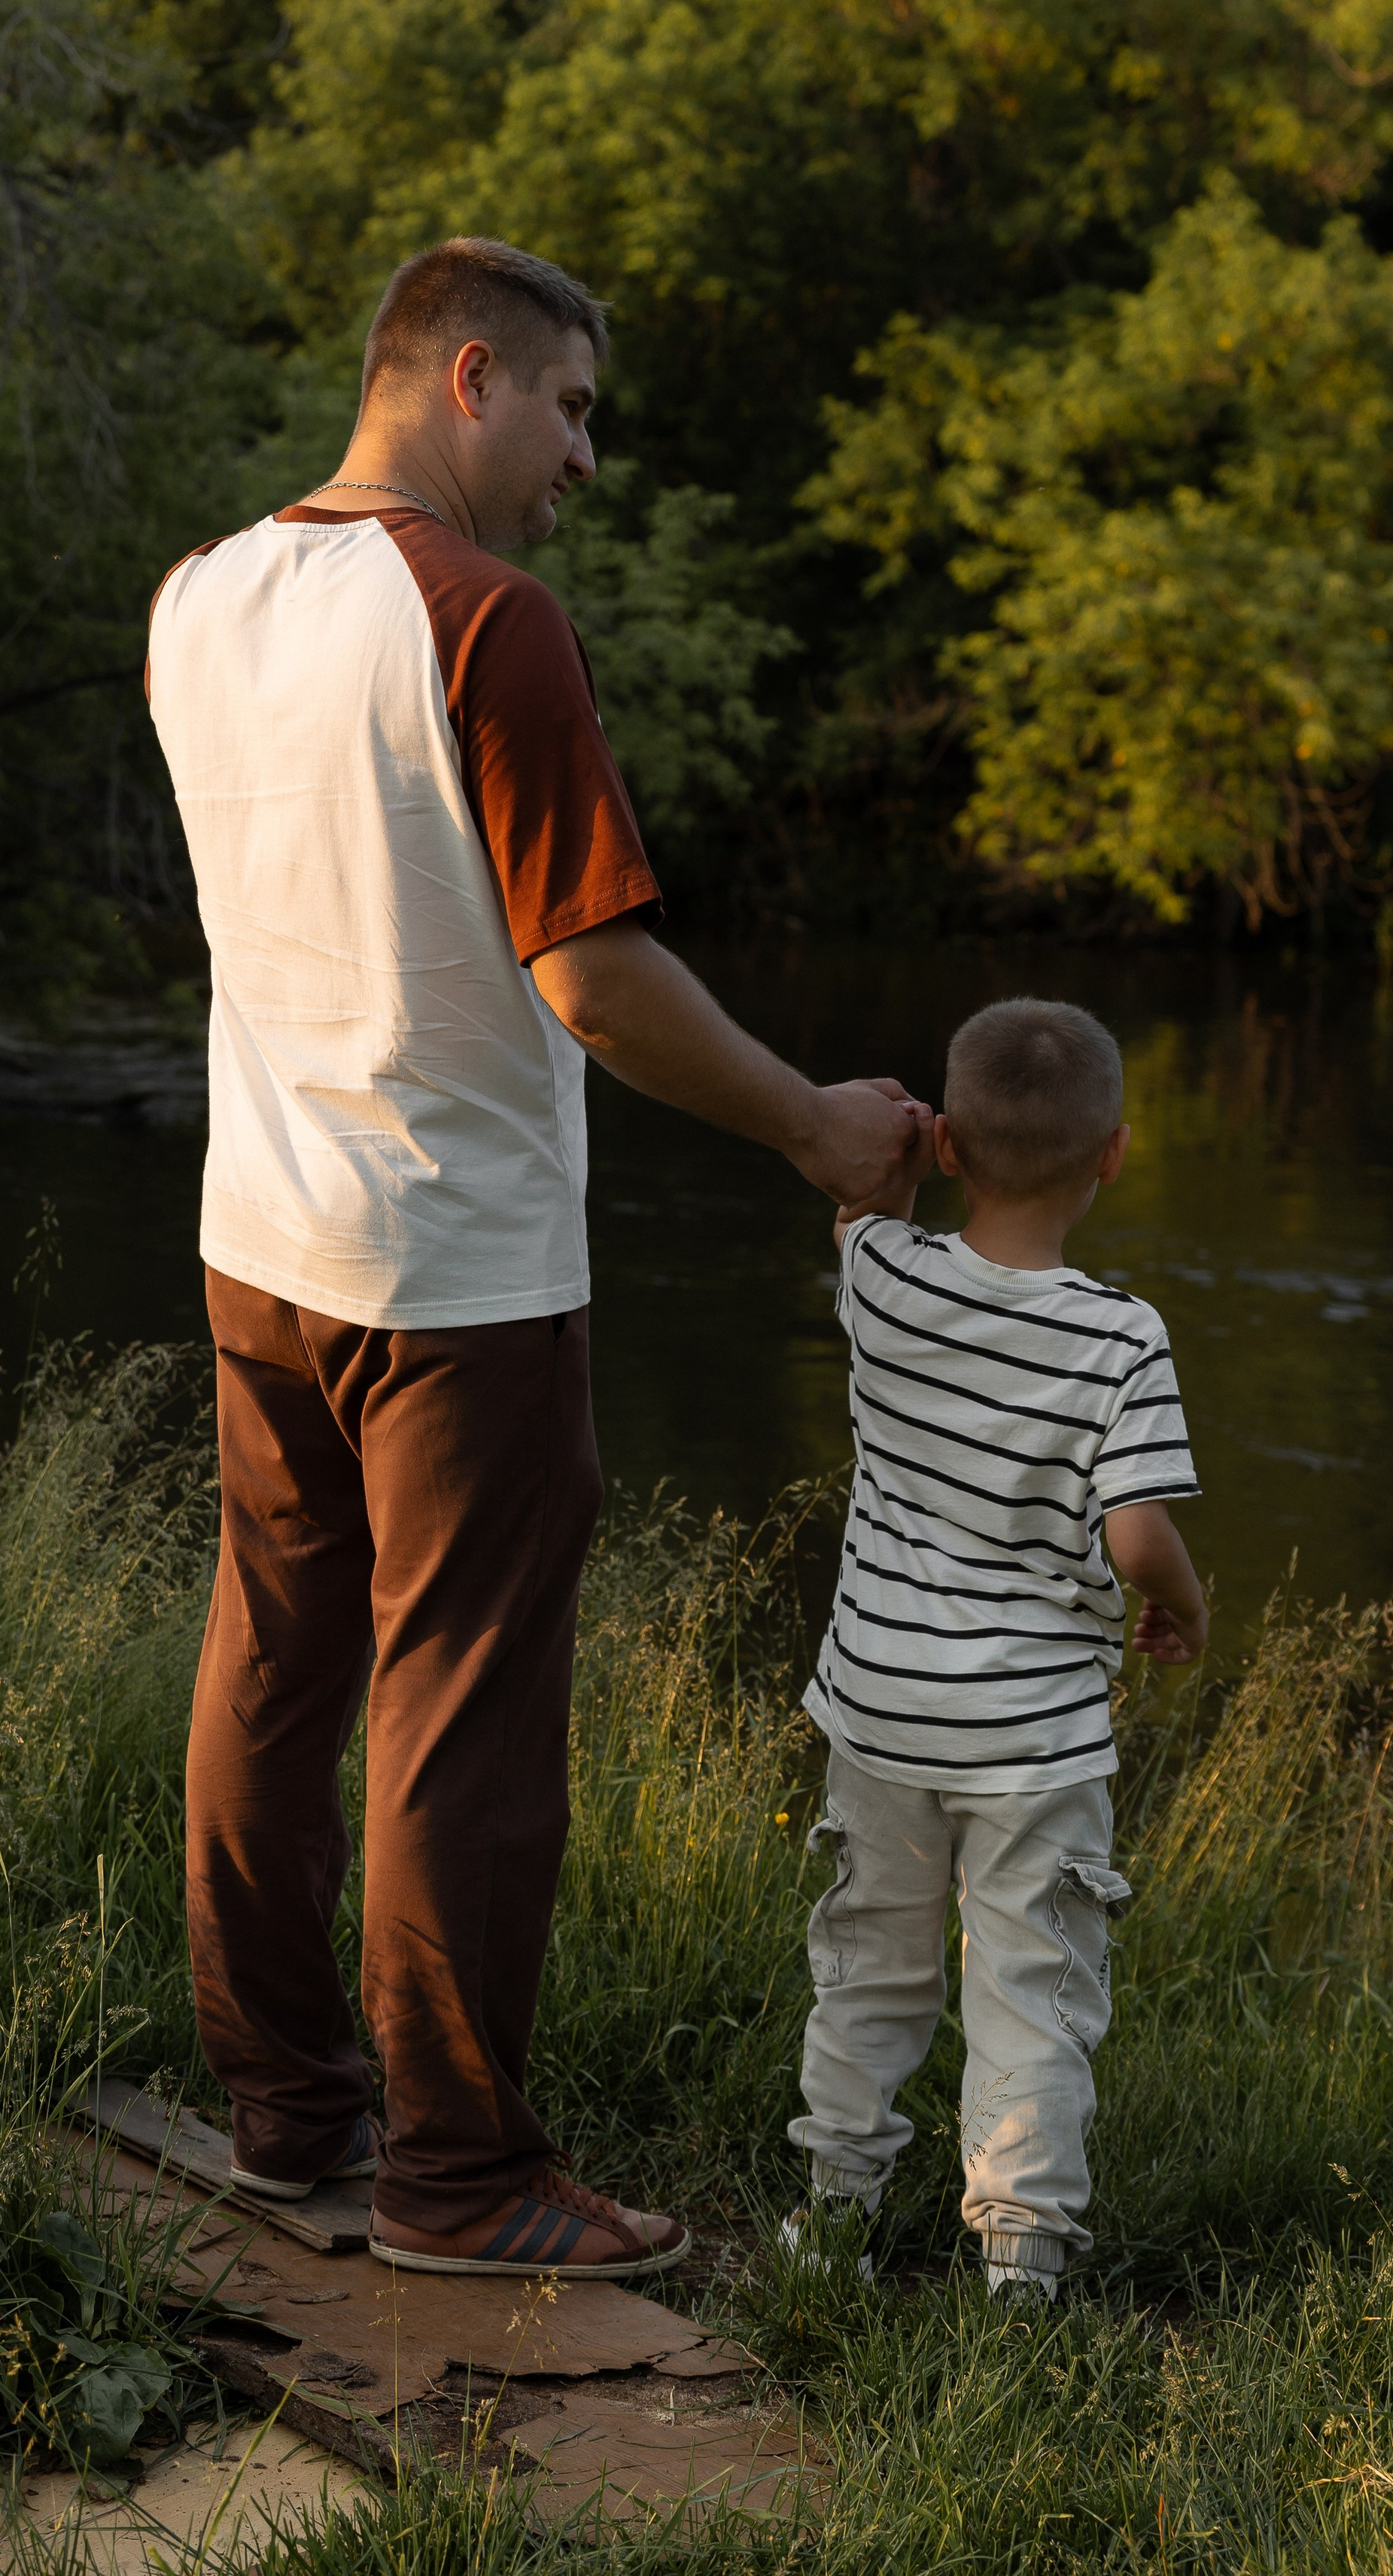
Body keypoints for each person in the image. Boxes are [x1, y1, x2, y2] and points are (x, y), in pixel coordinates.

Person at [145, 234, 924, 2282]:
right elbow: (593, 974)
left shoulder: (197, 596)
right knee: (465, 1716)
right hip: (455, 1269)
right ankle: (461, 2176)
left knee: (271, 1664)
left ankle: (287, 2111)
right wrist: (813, 1124)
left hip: (260, 1240)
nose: (586, 457)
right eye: (570, 408)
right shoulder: (486, 617)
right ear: (465, 376)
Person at [784, 997, 1208, 2300]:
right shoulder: (1122, 1337)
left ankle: (836, 2218)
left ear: (952, 1144)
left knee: (869, 1966)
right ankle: (1020, 2261)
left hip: (881, 1707)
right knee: (1032, 1985)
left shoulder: (884, 1279)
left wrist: (902, 1157)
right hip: (1033, 1739)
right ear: (1114, 1155)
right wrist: (1184, 1604)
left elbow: (859, 1207)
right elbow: (1137, 1534)